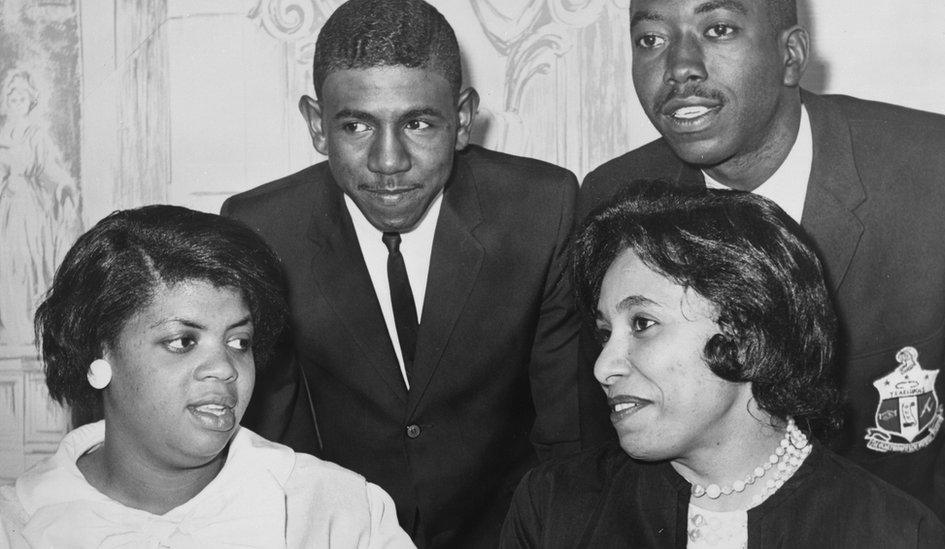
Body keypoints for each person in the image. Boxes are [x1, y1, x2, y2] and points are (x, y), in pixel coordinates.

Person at [577, 0, 945, 543]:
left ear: (791, 55)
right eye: (650, 39)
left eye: (718, 29)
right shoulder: (615, 198)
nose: (680, 67)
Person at [220, 0, 581, 546]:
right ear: (318, 126)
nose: (389, 161)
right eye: (356, 125)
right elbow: (272, 444)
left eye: (417, 123)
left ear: (461, 120)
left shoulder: (540, 209)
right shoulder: (263, 229)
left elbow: (566, 436)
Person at [501, 182, 945, 548]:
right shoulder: (553, 507)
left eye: (642, 323)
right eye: (605, 333)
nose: (603, 367)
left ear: (747, 335)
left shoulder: (898, 533)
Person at [0, 205, 413, 548]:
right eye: (182, 341)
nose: (225, 368)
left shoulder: (336, 511)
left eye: (239, 343)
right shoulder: (17, 524)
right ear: (98, 354)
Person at [0, 68, 81, 345]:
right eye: (12, 97)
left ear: (30, 102)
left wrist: (66, 187)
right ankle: (12, 327)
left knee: (29, 263)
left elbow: (51, 169)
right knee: (7, 265)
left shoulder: (36, 135)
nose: (16, 102)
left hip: (31, 210)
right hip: (6, 209)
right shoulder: (1, 135)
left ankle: (27, 327)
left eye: (22, 98)